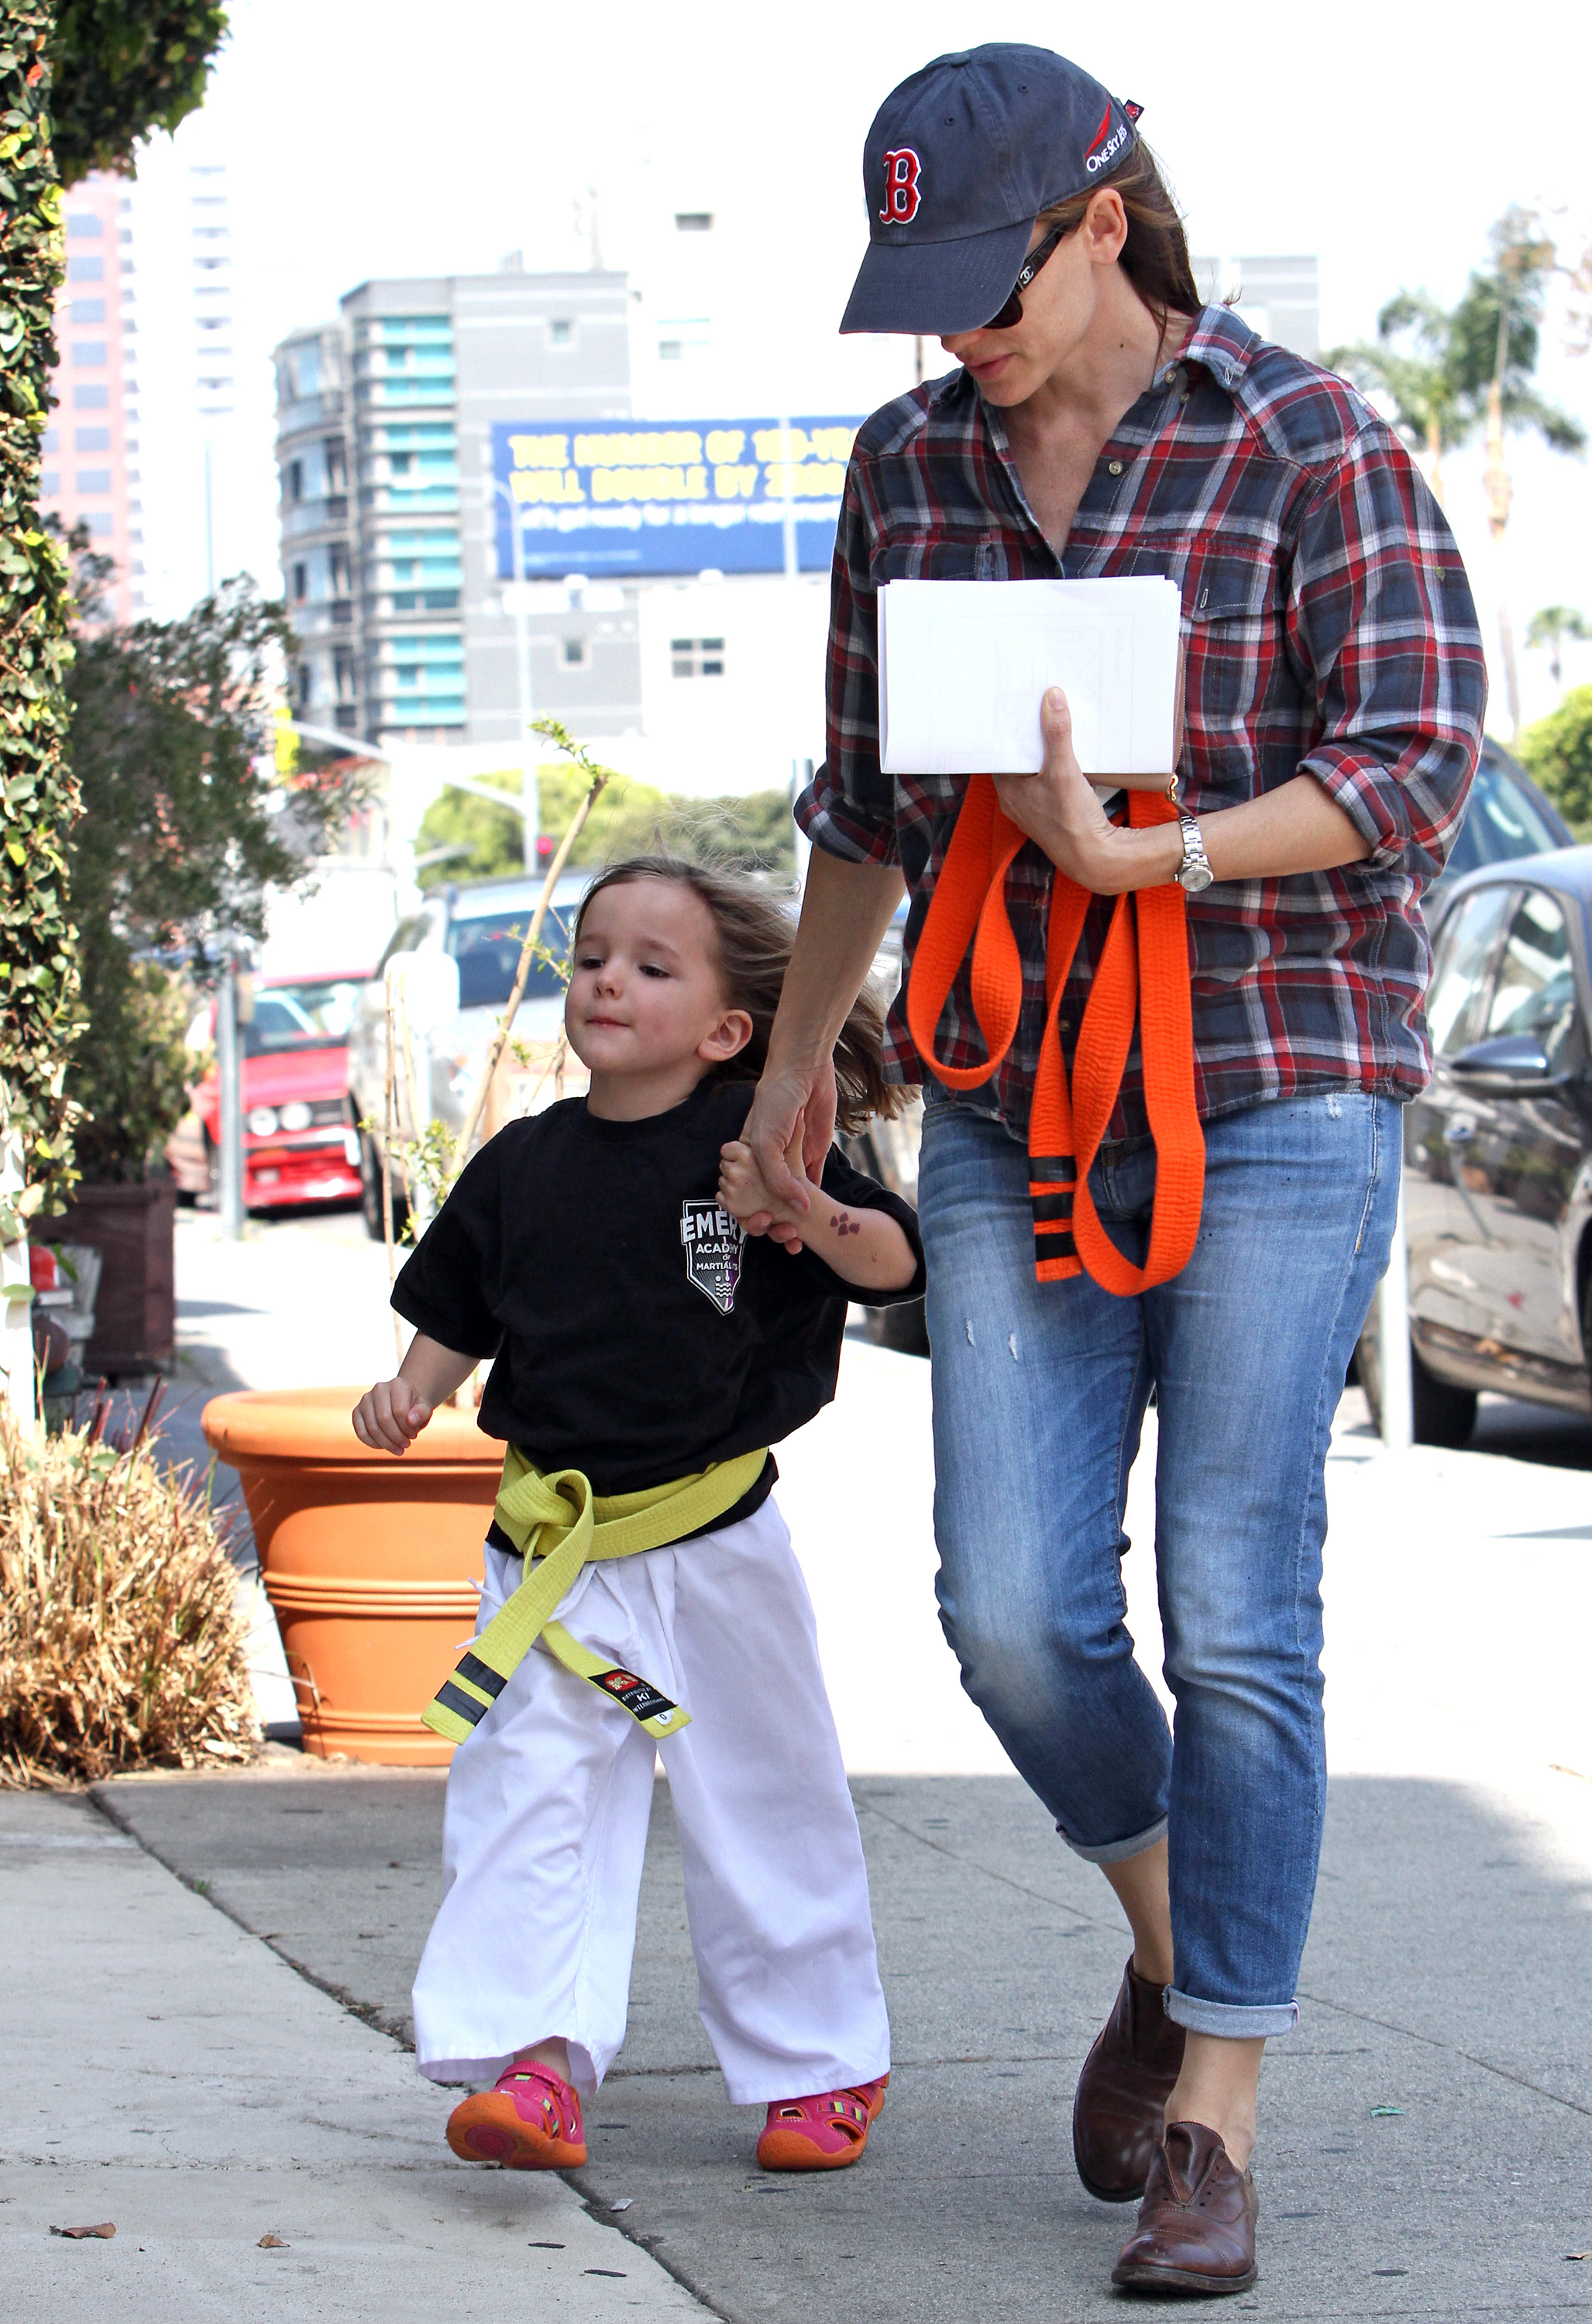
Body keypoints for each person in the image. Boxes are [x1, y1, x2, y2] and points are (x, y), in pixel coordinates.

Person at [738, 43, 1485, 2296]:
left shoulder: (1305, 436)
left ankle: (1217, 2118)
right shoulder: (911, 468)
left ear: (1102, 222)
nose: (957, 321)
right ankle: (1178, 1943)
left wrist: (1148, 853)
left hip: (1277, 1073)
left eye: (991, 270)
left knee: (1237, 1607)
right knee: (1009, 1605)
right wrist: (791, 1070)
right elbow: (868, 805)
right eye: (925, 281)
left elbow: (1425, 757)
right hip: (1005, 1089)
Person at [352, 858, 923, 2176]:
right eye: (593, 956)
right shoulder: (525, 1160)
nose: (609, 978)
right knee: (525, 1799)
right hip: (550, 1560)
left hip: (717, 1543)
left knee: (762, 1796)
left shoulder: (758, 1148)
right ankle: (534, 2065)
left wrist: (806, 1205)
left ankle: (817, 2065)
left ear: (733, 1030)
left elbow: (894, 1261)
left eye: (653, 965)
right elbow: (459, 1307)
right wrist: (411, 1390)